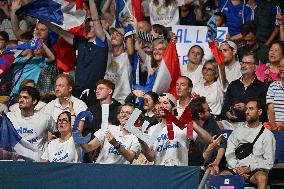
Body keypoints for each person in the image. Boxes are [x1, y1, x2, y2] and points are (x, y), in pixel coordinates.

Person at [41, 0, 108, 98]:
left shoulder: (101, 43)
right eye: (86, 27)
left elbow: (96, 18)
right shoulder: (81, 43)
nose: (88, 28)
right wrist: (45, 21)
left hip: (94, 92)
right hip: (77, 91)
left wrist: (91, 2)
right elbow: (60, 31)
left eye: (91, 27)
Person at [140, 94, 212, 166]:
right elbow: (151, 157)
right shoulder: (153, 129)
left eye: (165, 103)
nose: (161, 106)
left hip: (179, 172)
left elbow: (208, 140)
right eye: (159, 103)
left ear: (174, 108)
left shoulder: (183, 125)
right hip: (160, 172)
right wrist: (142, 142)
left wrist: (192, 124)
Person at [221, 99, 276, 189]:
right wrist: (237, 169)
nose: (247, 112)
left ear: (259, 112)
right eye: (246, 109)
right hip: (237, 169)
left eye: (251, 109)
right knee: (221, 175)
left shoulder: (267, 135)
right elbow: (229, 153)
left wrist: (249, 169)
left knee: (262, 177)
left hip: (255, 171)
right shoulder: (237, 131)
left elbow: (269, 162)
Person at [6, 86, 57, 161]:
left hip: (37, 164)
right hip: (16, 163)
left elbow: (60, 134)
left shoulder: (45, 118)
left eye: (25, 97)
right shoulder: (10, 117)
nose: (21, 100)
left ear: (34, 101)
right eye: (20, 97)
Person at [221, 53, 268, 129]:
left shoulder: (262, 87)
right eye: (242, 62)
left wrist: (246, 109)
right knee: (215, 125)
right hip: (231, 123)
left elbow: (263, 114)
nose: (243, 65)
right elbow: (224, 109)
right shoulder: (233, 85)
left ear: (255, 67)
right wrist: (227, 114)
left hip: (251, 124)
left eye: (247, 63)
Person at [189, 97, 226, 175]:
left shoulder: (210, 121)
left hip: (211, 163)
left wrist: (216, 162)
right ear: (200, 114)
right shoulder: (189, 131)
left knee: (212, 172)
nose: (211, 111)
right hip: (194, 165)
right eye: (208, 110)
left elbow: (222, 142)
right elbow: (195, 162)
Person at [104, 27, 134, 103]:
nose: (113, 36)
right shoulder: (108, 55)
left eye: (118, 35)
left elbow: (130, 51)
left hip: (123, 100)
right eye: (112, 34)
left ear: (124, 39)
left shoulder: (127, 56)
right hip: (108, 98)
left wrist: (129, 29)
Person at [266, 58, 284, 130]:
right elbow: (270, 109)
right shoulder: (273, 86)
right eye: (280, 66)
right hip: (273, 124)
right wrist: (274, 127)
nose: (281, 69)